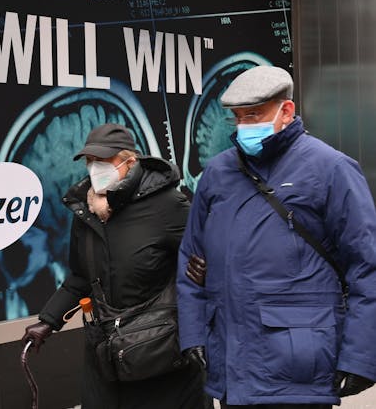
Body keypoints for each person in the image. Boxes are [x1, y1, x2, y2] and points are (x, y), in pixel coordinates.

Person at [177, 65, 376, 408]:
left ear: (286, 110)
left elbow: (366, 266)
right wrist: (193, 333)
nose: (243, 127)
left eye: (253, 115)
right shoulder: (217, 172)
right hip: (231, 365)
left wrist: (360, 357)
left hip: (299, 364)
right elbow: (191, 259)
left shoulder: (332, 168)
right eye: (237, 118)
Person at [22, 123, 208, 408]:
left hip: (160, 350)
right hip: (106, 351)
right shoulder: (85, 213)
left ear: (129, 162)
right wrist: (49, 320)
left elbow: (208, 253)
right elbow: (80, 276)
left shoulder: (167, 205)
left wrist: (206, 273)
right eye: (90, 162)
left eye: (103, 161)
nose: (94, 168)